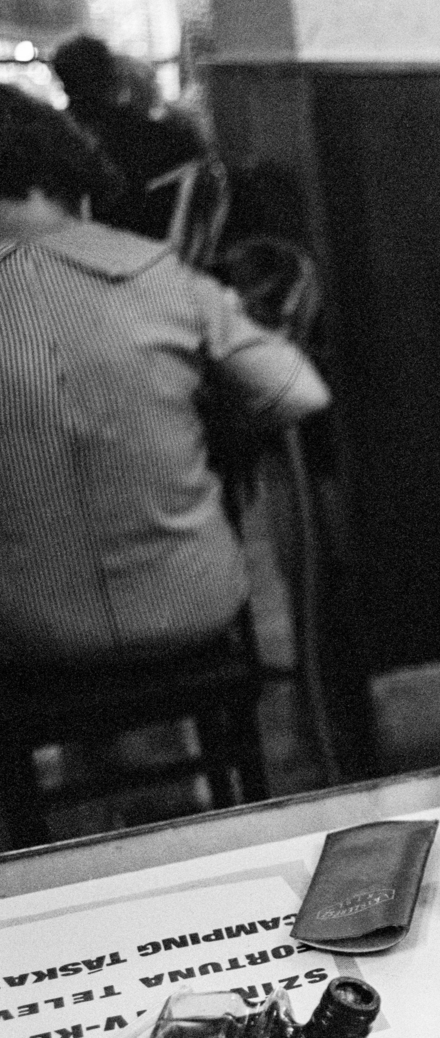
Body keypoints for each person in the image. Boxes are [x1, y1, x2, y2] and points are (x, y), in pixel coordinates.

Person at [0, 85, 329, 665]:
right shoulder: (160, 275)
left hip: (27, 633)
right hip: (195, 605)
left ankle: (100, 750)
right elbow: (299, 393)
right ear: (68, 177)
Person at [48, 33, 207, 241]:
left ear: (63, 83)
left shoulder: (54, 142)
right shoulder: (168, 138)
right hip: (160, 250)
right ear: (112, 75)